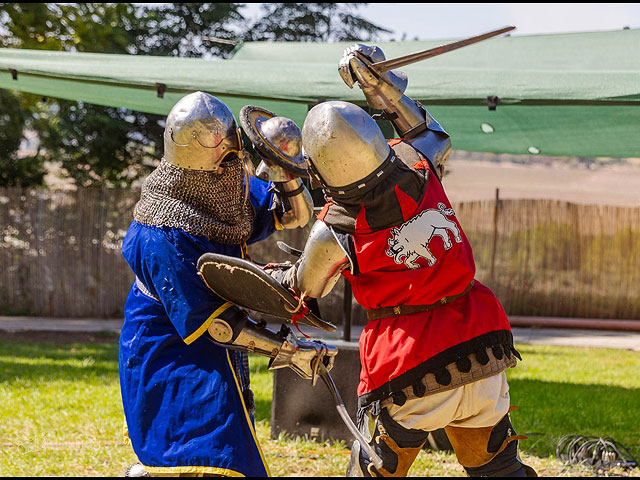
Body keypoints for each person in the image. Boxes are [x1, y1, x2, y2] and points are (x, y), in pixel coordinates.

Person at [278, 45, 537, 477]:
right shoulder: (418, 161)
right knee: (499, 470)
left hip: (411, 367)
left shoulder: (335, 227)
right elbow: (435, 131)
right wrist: (382, 86)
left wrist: (281, 275)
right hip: (479, 344)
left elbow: (306, 286)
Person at [119, 91, 331, 477]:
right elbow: (216, 323)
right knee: (210, 454)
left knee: (223, 448)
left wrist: (283, 166)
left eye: (233, 162)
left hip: (214, 340)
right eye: (221, 164)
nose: (229, 172)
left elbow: (293, 215)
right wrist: (291, 350)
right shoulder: (160, 235)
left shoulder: (224, 185)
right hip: (171, 350)